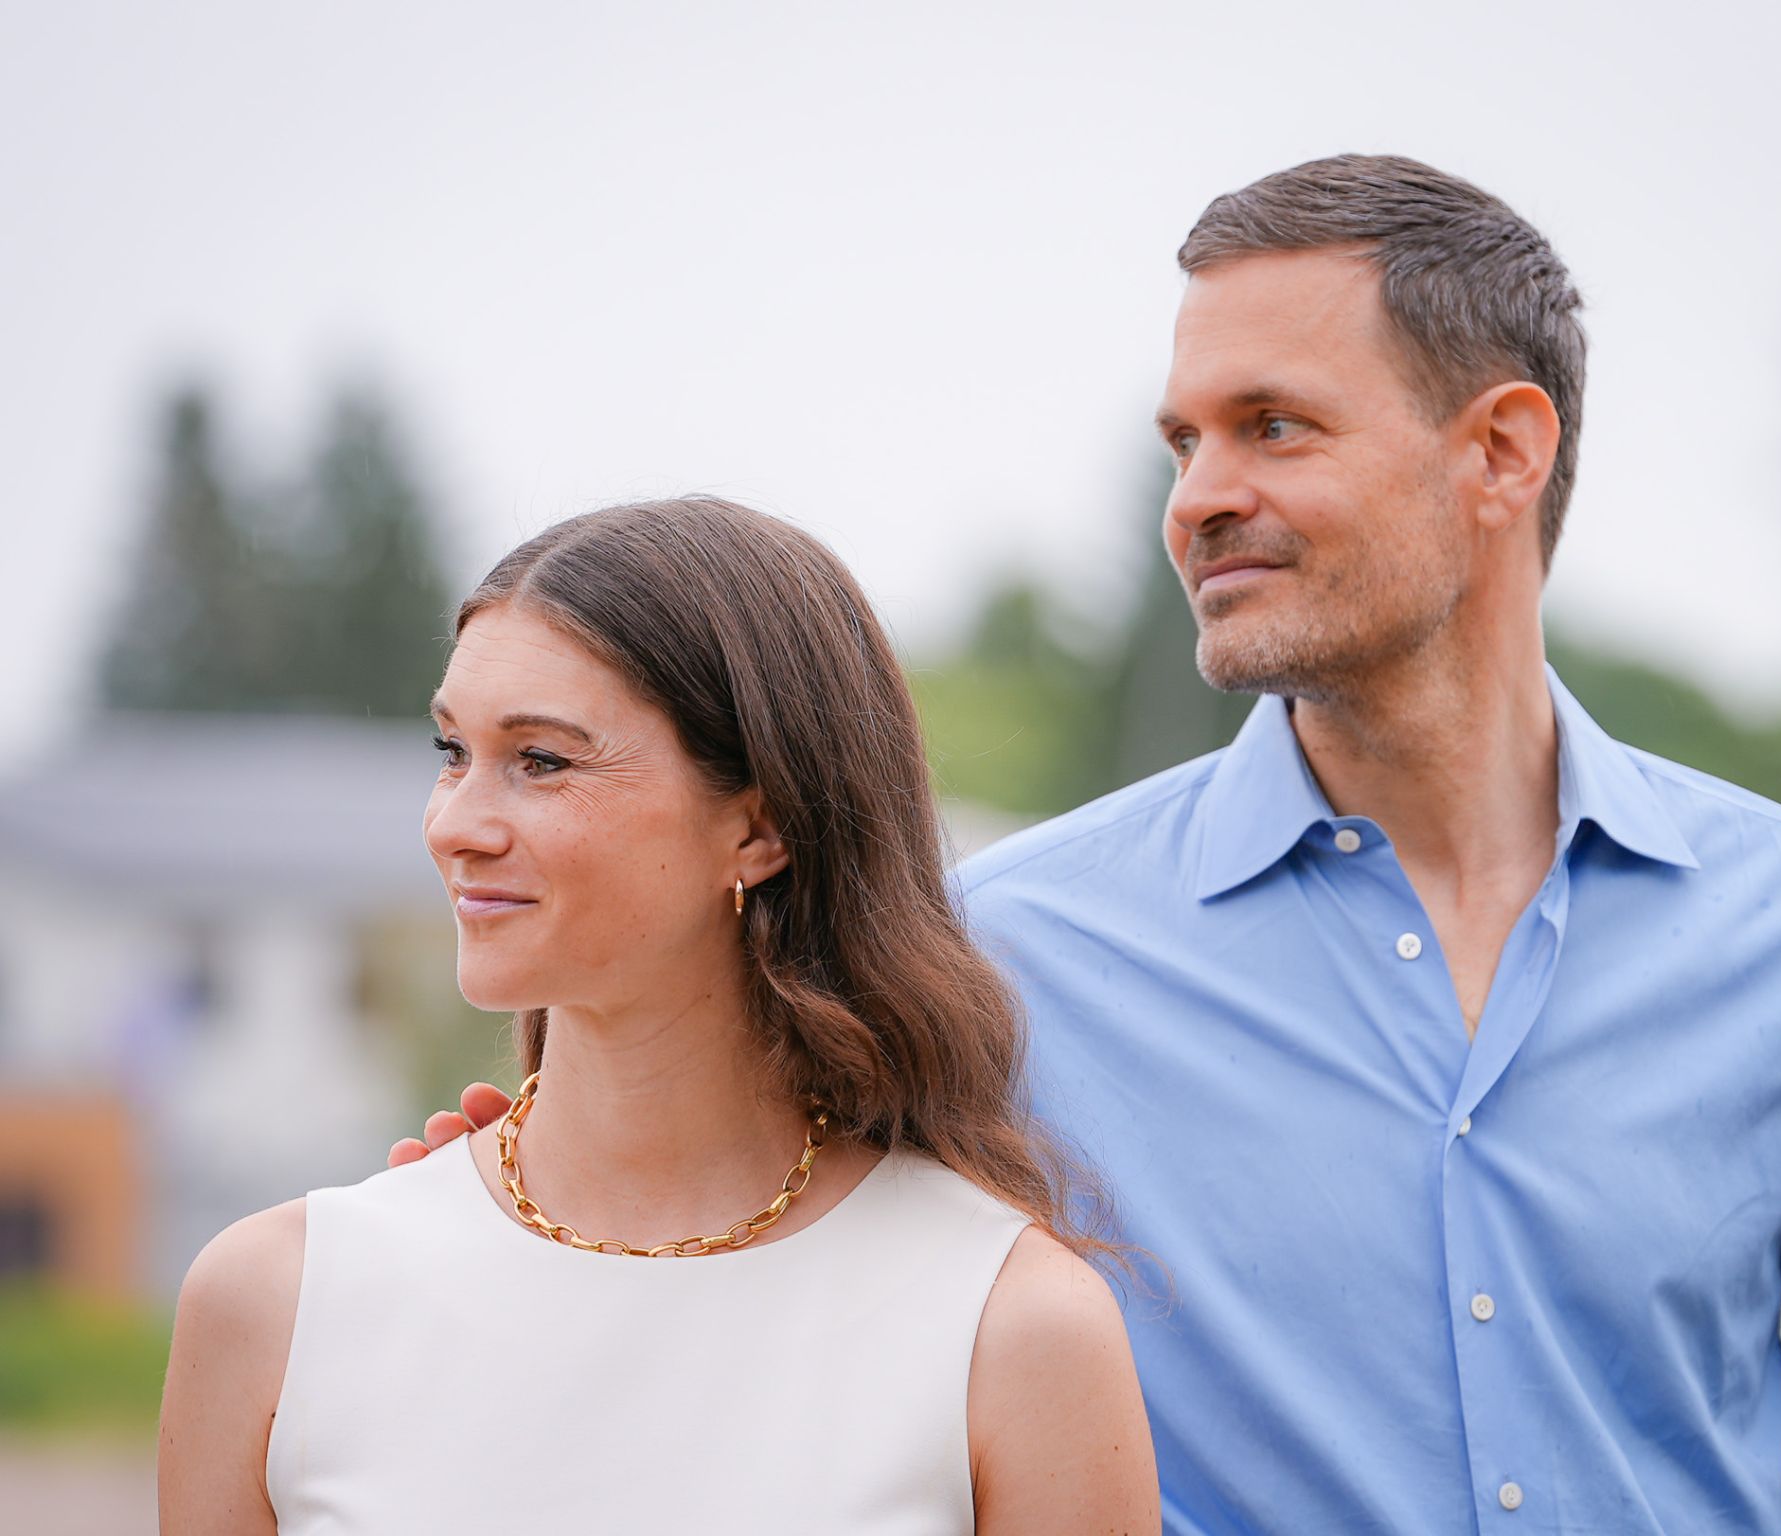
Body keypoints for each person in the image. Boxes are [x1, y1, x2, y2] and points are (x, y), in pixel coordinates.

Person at [402, 157, 1781, 1533]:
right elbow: (718, 1238)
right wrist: (498, 1202)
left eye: (1268, 427)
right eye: (1180, 443)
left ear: (1500, 452)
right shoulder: (990, 953)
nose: (1199, 500)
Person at [157, 498, 1159, 1534]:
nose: (456, 824)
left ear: (760, 825)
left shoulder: (1009, 1327)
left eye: (541, 760)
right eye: (452, 750)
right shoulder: (276, 1302)